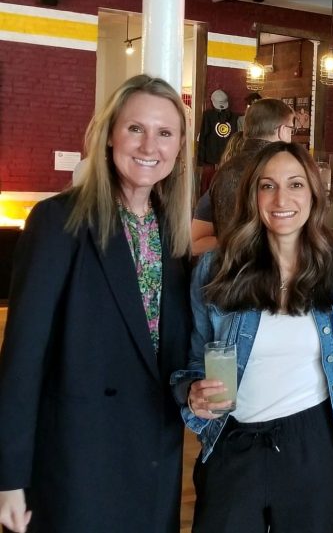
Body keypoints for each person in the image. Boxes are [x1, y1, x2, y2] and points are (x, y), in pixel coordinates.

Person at [0, 74, 193, 533]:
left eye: (165, 133)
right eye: (135, 129)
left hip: (153, 456)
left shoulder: (172, 232)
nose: (150, 145)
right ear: (109, 135)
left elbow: (165, 354)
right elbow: (22, 359)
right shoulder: (58, 221)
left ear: (180, 145)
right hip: (79, 460)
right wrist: (8, 477)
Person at [173, 142, 333, 532]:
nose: (281, 198)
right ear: (253, 195)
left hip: (315, 444)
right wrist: (191, 392)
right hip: (232, 442)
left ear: (315, 193)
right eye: (268, 186)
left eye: (295, 184)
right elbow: (193, 361)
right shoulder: (217, 267)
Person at [191, 98, 294, 255]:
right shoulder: (279, 167)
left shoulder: (225, 169)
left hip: (228, 266)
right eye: (291, 129)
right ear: (281, 130)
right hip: (263, 265)